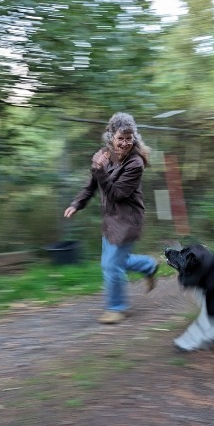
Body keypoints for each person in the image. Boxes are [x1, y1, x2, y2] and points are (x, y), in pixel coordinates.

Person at [64, 112, 159, 324]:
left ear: (134, 137)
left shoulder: (136, 163)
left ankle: (116, 308)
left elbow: (117, 194)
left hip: (128, 220)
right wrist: (76, 203)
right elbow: (91, 186)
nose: (125, 143)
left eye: (129, 138)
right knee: (117, 262)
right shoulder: (103, 156)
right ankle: (149, 266)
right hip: (110, 220)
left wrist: (99, 172)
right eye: (120, 138)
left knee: (110, 265)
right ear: (111, 137)